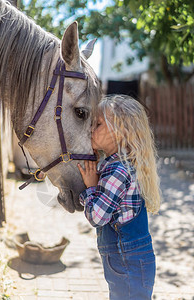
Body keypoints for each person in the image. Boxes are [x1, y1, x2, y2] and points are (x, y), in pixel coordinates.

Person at [77, 95, 161, 300]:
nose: (90, 129)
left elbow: (97, 217)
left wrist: (91, 186)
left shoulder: (118, 170)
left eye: (97, 124)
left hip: (127, 263)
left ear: (120, 132)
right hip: (130, 261)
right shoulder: (118, 164)